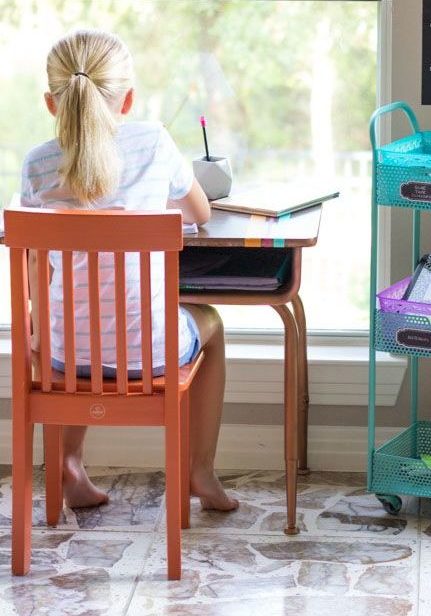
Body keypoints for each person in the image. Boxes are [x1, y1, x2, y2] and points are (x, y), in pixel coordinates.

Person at [21, 29, 238, 512]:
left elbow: (36, 260)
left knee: (81, 330)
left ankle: (69, 464)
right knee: (213, 324)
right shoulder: (153, 142)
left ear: (52, 104)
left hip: (58, 356)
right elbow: (199, 213)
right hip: (148, 355)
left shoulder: (35, 165)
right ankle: (199, 470)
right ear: (128, 99)